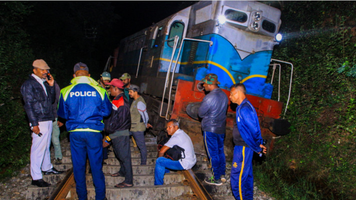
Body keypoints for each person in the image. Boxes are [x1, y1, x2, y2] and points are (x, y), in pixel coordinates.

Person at [57, 62, 112, 200]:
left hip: (75, 132)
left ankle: (82, 197)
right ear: (89, 75)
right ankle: (100, 197)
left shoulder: (65, 91)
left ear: (74, 75)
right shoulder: (100, 90)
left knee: (79, 166)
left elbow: (62, 114)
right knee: (96, 166)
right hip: (93, 132)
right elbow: (107, 111)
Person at [21, 59, 63, 187]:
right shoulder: (29, 84)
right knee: (38, 148)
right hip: (39, 119)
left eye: (47, 70)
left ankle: (47, 167)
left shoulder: (43, 83)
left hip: (47, 118)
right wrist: (34, 123)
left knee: (45, 146)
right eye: (43, 70)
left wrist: (51, 86)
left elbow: (50, 101)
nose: (46, 72)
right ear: (35, 70)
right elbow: (28, 105)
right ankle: (36, 177)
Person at [229, 83, 267, 200]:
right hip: (243, 147)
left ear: (238, 93)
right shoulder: (242, 107)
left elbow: (254, 129)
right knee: (247, 177)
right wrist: (257, 145)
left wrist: (258, 145)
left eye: (231, 94)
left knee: (237, 177)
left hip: (243, 148)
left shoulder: (245, 108)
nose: (229, 97)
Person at [198, 73, 228, 186]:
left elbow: (200, 113)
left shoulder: (209, 97)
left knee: (213, 154)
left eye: (205, 83)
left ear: (210, 84)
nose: (204, 86)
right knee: (220, 152)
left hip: (210, 129)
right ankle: (222, 174)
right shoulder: (224, 95)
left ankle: (216, 178)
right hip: (221, 129)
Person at [103, 78, 133, 188]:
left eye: (111, 87)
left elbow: (120, 122)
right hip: (117, 133)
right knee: (119, 154)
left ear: (116, 88)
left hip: (119, 134)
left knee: (125, 157)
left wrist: (109, 136)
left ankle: (129, 181)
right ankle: (122, 171)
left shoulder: (121, 102)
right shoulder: (118, 99)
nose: (109, 89)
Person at [154, 119, 196, 185]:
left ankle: (158, 184)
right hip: (191, 161)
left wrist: (160, 160)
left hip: (185, 164)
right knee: (166, 156)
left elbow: (162, 151)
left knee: (159, 161)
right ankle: (164, 170)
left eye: (169, 127)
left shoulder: (176, 137)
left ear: (176, 127)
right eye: (167, 127)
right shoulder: (182, 133)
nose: (167, 129)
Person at [128, 84, 152, 165]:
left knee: (141, 146)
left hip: (138, 128)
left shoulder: (139, 102)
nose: (129, 93)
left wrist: (145, 124)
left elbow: (145, 115)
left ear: (135, 92)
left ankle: (143, 163)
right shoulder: (135, 101)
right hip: (132, 127)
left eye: (131, 92)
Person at [97, 71, 112, 162]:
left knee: (106, 135)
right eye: (105, 79)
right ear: (101, 78)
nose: (106, 81)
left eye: (108, 80)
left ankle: (104, 154)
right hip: (99, 115)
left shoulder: (109, 87)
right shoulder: (97, 87)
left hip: (106, 115)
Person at [51, 81, 64, 165]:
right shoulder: (36, 84)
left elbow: (60, 102)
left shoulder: (54, 85)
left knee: (55, 138)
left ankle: (58, 157)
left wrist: (61, 118)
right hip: (42, 118)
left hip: (54, 116)